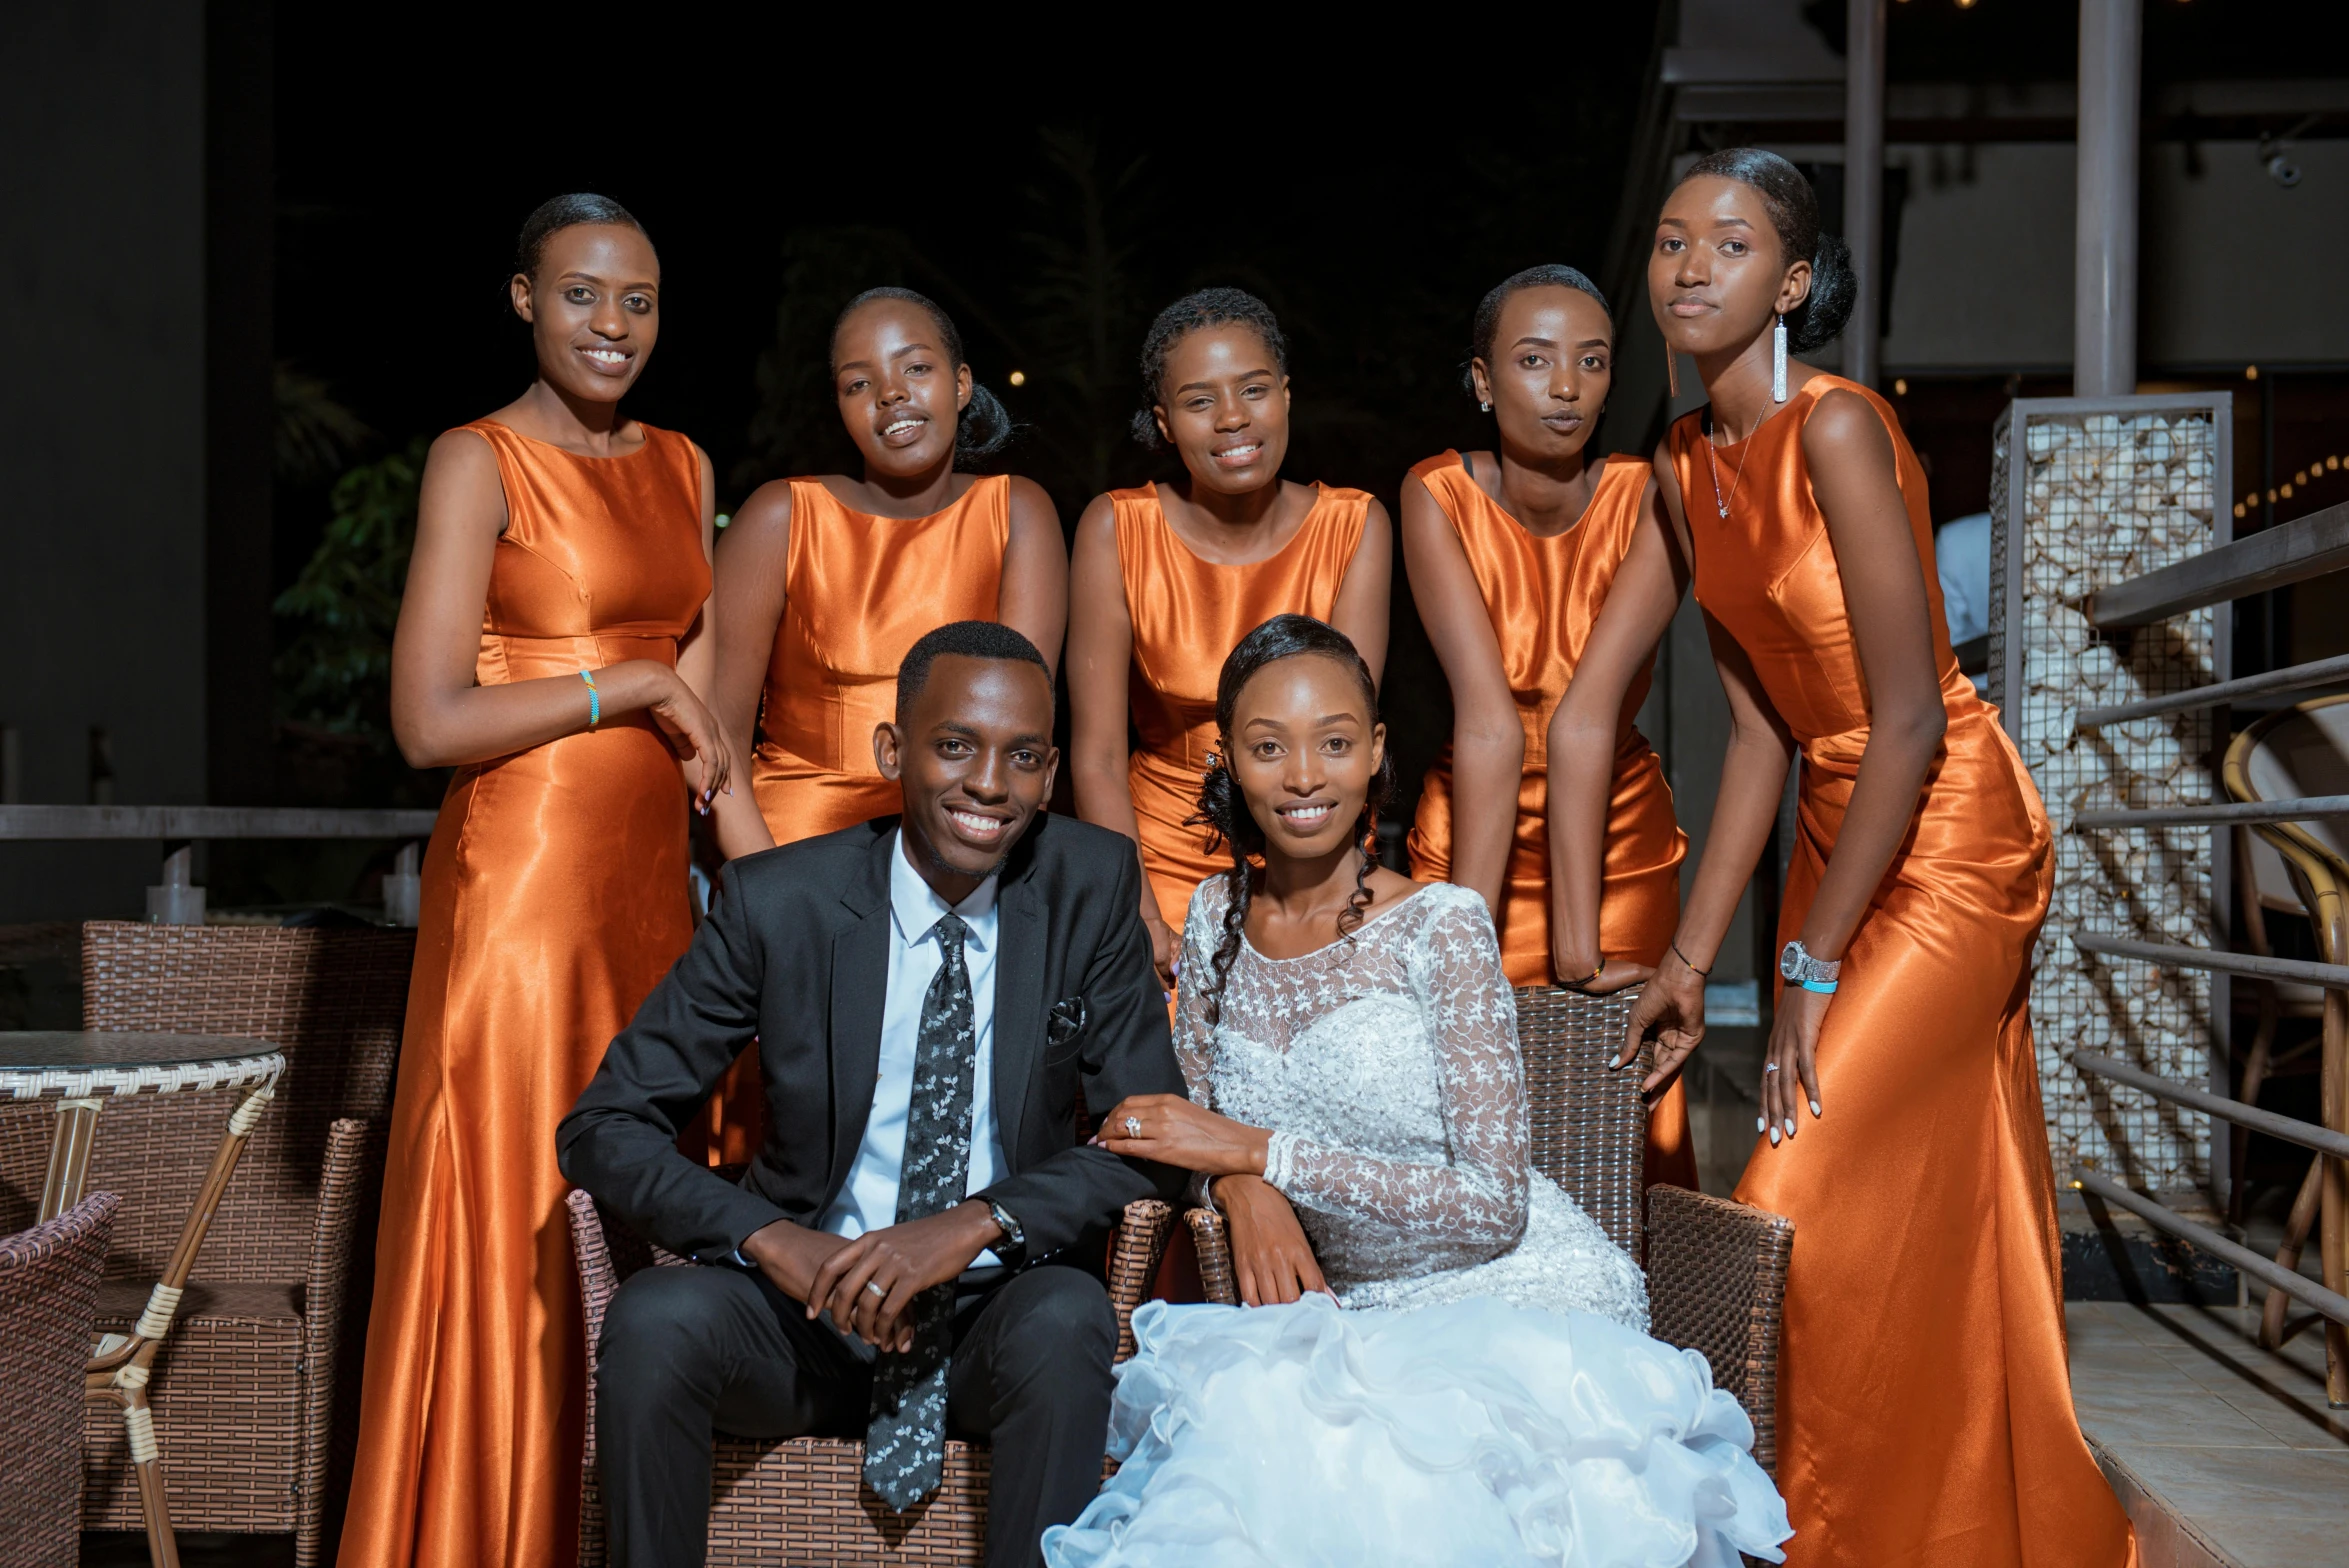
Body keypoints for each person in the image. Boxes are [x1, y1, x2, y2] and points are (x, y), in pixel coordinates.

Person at [1557, 148, 2133, 1565]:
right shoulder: (1685, 470)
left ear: (1792, 284)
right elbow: (1757, 734)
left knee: (1789, 1193)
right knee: (1884, 1202)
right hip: (1834, 831)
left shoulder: (1839, 430)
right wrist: (1695, 960)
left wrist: (1804, 969)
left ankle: (1815, 1534)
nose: (1690, 267)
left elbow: (1907, 724)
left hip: (1944, 834)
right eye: (1672, 240)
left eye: (1731, 245)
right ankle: (1924, 1528)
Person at [1046, 615, 1790, 1568]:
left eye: (1335, 743)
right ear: (1227, 757)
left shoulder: (1442, 926)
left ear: (1375, 753)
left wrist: (1263, 1155)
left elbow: (1491, 1205)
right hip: (1341, 1315)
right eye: (1268, 747)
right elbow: (1189, 1128)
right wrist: (1238, 1187)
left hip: (1517, 1303)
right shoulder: (1211, 919)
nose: (1304, 775)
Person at [559, 621, 1189, 1568]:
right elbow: (603, 1126)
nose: (989, 784)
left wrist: (977, 1223)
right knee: (656, 1322)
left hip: (991, 1313)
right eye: (955, 746)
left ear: (1051, 774)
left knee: (1069, 1318)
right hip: (802, 1321)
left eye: (1022, 757)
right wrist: (775, 1243)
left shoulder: (1087, 885)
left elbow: (1145, 1132)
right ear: (892, 750)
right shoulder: (781, 903)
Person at [343, 194, 735, 1568]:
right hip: (518, 898)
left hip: (650, 899)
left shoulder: (685, 465)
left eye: (638, 300)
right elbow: (428, 723)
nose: (612, 325)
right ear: (523, 297)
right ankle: (489, 1529)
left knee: (644, 1201)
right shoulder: (479, 458)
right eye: (582, 294)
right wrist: (624, 679)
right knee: (516, 1204)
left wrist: (766, 891)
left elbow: (705, 721)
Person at [694, 287, 1066, 1163]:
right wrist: (772, 904)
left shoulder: (1018, 512)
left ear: (963, 383)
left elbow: (1014, 745)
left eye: (916, 368)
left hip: (963, 858)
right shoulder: (778, 516)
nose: (891, 395)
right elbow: (713, 747)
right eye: (858, 383)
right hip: (785, 859)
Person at [1400, 264, 1697, 1191]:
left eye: (1592, 362)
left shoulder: (1651, 493)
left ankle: (1637, 1320)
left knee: (1622, 1132)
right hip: (1468, 841)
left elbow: (1585, 718)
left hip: (1614, 843)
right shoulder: (1435, 492)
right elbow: (1489, 721)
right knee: (1451, 1116)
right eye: (1534, 361)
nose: (1566, 388)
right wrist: (1467, 946)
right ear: (1483, 381)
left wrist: (1578, 948)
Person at [1067, 288, 1390, 988]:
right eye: (1199, 400)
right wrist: (1138, 911)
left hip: (1312, 841)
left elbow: (1347, 744)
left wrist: (1320, 905)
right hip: (1154, 857)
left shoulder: (1354, 525)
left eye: (1252, 390)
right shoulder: (1115, 529)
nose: (1233, 418)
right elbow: (1094, 752)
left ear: (1285, 395)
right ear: (1164, 422)